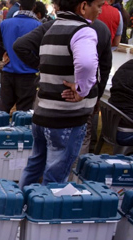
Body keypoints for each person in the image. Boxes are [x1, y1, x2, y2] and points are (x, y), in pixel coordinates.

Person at [15, 0, 103, 188]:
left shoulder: (52, 28)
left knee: (34, 167)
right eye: (98, 5)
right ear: (83, 6)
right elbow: (87, 64)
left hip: (43, 115)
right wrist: (82, 90)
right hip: (66, 119)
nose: (100, 11)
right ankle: (43, 214)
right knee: (55, 178)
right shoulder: (82, 30)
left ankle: (21, 208)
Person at [0, 0, 41, 113]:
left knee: (3, 111)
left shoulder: (5, 23)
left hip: (8, 73)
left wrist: (4, 53)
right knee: (23, 114)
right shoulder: (38, 26)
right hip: (28, 76)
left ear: (20, 7)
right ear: (34, 7)